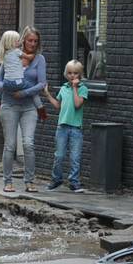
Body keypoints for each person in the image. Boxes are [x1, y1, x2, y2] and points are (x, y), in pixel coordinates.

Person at [0, 26, 48, 193]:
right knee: (10, 145)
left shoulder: (39, 59)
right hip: (9, 105)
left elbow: (41, 84)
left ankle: (29, 181)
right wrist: (8, 89)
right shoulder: (11, 55)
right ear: (23, 41)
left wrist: (24, 92)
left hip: (29, 107)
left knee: (28, 143)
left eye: (35, 41)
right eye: (30, 40)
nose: (33, 44)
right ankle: (7, 181)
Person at [48, 59, 88, 192]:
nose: (72, 76)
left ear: (80, 75)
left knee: (75, 157)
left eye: (76, 73)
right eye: (70, 73)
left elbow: (77, 104)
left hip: (76, 128)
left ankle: (74, 182)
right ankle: (56, 179)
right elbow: (58, 106)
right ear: (66, 74)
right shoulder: (63, 89)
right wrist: (47, 94)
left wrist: (75, 88)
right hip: (62, 127)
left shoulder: (83, 89)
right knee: (59, 155)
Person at [0, 31, 40, 116]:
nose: (19, 42)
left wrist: (7, 90)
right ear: (11, 43)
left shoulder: (5, 54)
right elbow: (29, 57)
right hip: (18, 82)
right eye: (17, 40)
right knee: (32, 89)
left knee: (0, 90)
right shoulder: (17, 52)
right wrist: (33, 56)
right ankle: (40, 109)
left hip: (7, 82)